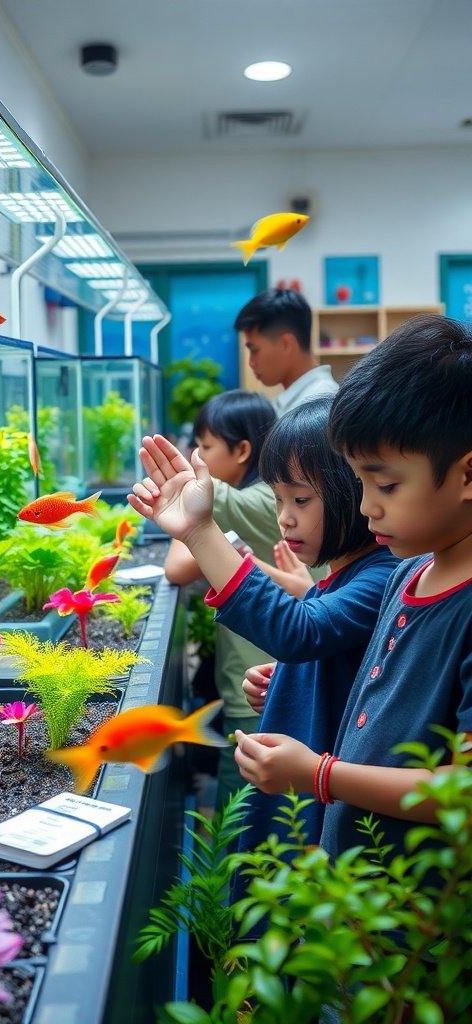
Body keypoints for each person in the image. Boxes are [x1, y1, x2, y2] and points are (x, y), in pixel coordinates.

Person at [233, 314, 472, 862]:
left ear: (467, 475)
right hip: (351, 892)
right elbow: (374, 703)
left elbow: (462, 791)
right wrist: (293, 684)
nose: (366, 507)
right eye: (360, 483)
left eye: (386, 484)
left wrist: (321, 775)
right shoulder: (409, 575)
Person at [129, 397, 398, 848]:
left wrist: (199, 531)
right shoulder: (344, 576)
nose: (284, 517)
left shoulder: (382, 574)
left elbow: (300, 631)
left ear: (357, 492)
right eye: (277, 498)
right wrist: (292, 681)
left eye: (300, 499)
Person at [165, 389, 297, 810]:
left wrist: (191, 507)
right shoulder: (254, 498)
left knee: (239, 804)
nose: (196, 455)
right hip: (256, 672)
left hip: (256, 679)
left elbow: (177, 568)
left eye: (204, 447)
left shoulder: (249, 501)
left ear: (242, 450)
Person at [235, 288, 338, 418]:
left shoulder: (317, 405)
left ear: (286, 344)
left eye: (255, 350)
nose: (251, 363)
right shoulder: (300, 400)